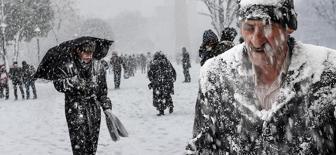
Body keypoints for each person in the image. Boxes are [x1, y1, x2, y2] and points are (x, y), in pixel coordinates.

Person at [188, 0, 336, 154]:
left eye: (267, 27)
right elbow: (203, 146)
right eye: (249, 27)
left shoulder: (328, 73)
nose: (256, 40)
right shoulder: (216, 74)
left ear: (289, 27)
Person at [52, 40, 113, 154]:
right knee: (79, 144)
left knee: (92, 144)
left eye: (91, 53)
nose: (89, 56)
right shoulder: (68, 66)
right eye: (86, 52)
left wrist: (106, 106)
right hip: (75, 109)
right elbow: (58, 84)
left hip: (94, 109)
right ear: (78, 51)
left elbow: (102, 92)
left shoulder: (98, 67)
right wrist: (74, 83)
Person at [148, 52, 176, 116]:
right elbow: (172, 71)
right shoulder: (166, 62)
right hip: (166, 82)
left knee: (159, 96)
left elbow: (150, 74)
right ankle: (170, 106)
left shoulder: (154, 63)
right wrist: (171, 79)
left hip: (158, 83)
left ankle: (161, 110)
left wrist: (152, 81)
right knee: (167, 95)